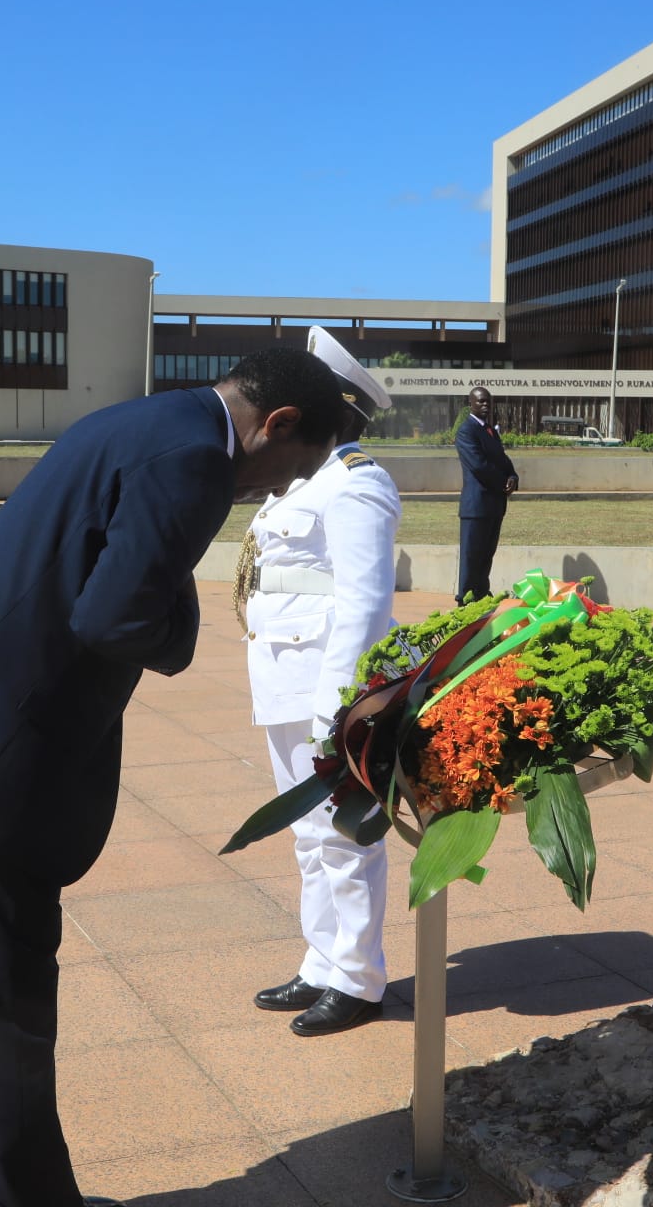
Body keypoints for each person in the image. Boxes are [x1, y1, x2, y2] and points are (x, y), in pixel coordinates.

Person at [0, 349, 344, 1207]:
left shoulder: (146, 417)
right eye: (286, 470)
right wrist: (185, 630)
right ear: (278, 423)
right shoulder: (196, 458)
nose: (271, 490)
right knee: (6, 985)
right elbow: (118, 616)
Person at [245, 327, 401, 1036]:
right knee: (307, 836)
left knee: (343, 837)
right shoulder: (303, 482)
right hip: (280, 676)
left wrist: (338, 709)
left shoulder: (357, 481)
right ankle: (322, 962)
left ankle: (359, 979)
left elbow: (365, 605)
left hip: (321, 686)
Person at [454, 384, 517, 601]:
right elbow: (479, 466)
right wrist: (503, 482)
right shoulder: (466, 431)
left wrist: (513, 477)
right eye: (480, 401)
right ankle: (465, 600)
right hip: (476, 506)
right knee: (471, 557)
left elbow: (502, 459)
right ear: (470, 403)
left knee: (486, 556)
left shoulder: (490, 430)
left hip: (494, 505)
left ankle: (481, 595)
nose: (485, 405)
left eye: (488, 401)